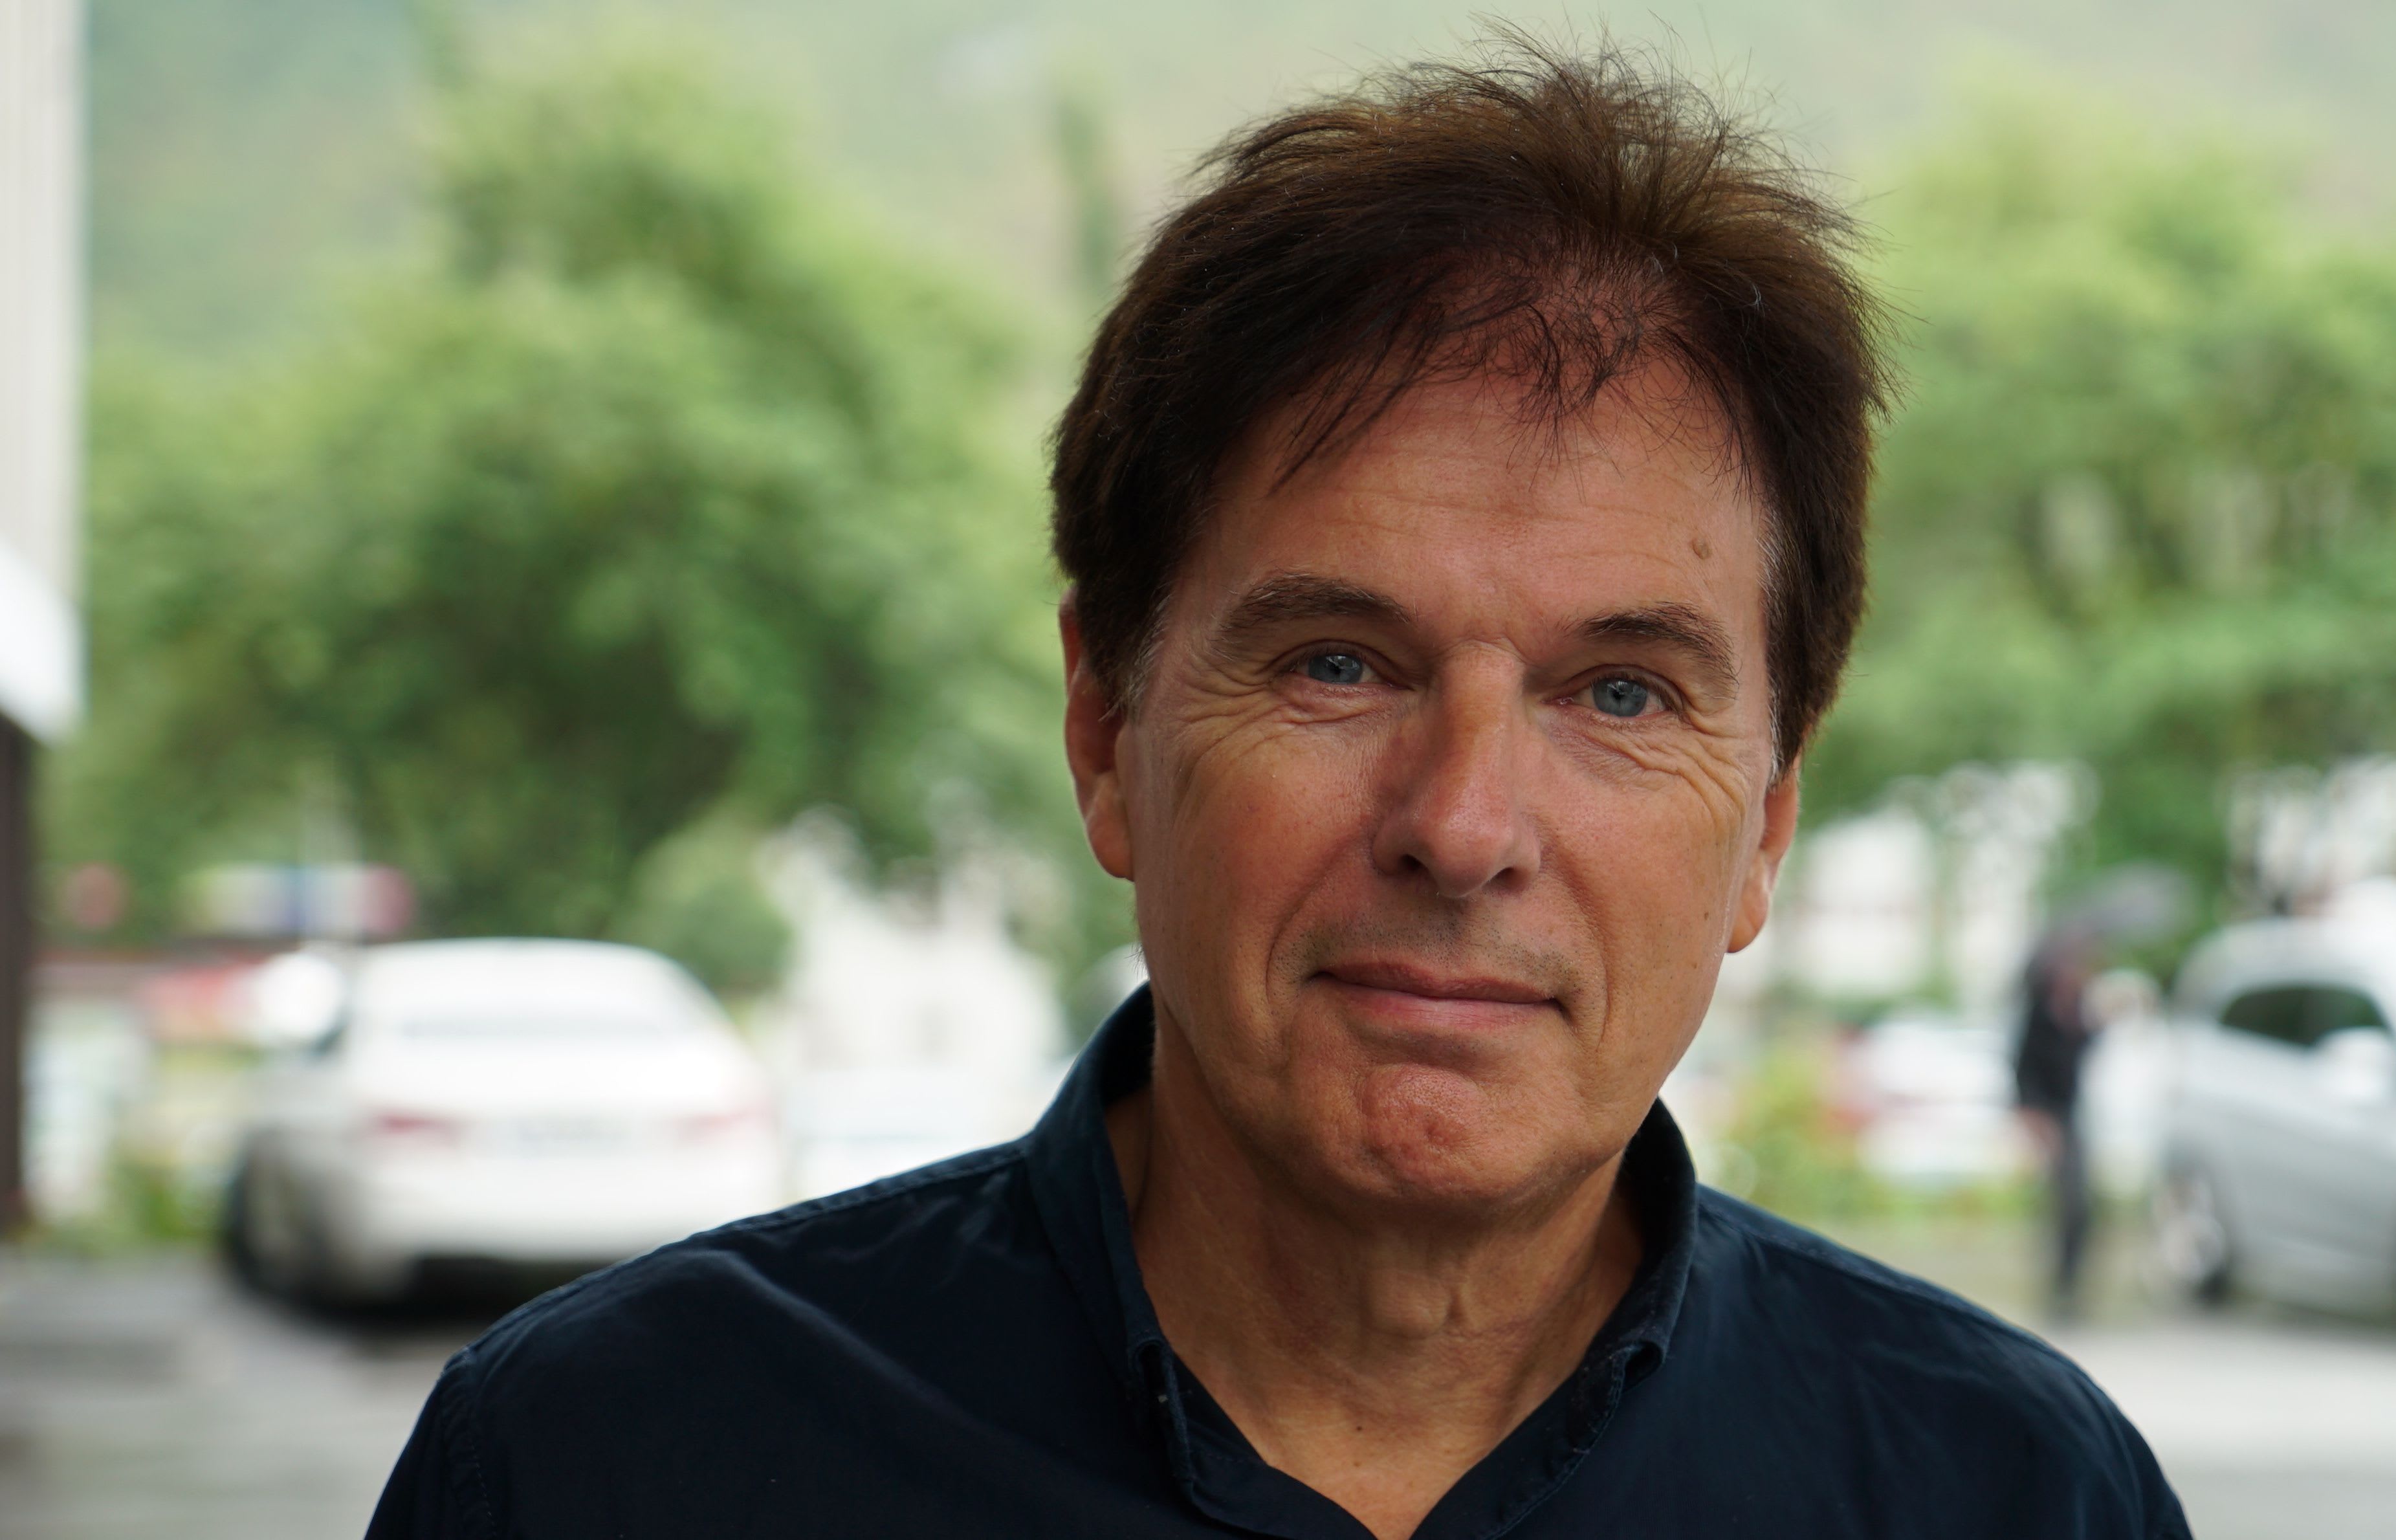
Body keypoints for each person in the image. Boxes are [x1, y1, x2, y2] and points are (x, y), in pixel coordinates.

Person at [369, 37, 2189, 1540]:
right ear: (1107, 731)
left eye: (1620, 692)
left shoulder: (2013, 1497)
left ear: (1766, 822)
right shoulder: (598, 1469)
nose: (1461, 828)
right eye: (1338, 664)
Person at [2014, 925, 2105, 1321]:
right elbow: (2023, 1068)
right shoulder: (2038, 1014)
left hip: (2072, 1113)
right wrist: (2032, 1114)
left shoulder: (2078, 1011)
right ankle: (2059, 1288)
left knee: (2082, 1206)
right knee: (2065, 1202)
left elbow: (2088, 1053)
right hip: (2048, 1116)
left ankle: (2071, 1286)